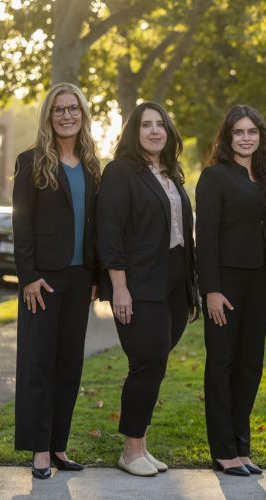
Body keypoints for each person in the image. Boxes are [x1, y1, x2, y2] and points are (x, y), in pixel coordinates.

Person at [97, 101, 198, 477]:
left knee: (155, 363)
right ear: (133, 133)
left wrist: (190, 287)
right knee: (147, 362)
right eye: (146, 125)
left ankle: (140, 444)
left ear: (169, 132)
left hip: (174, 282)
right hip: (139, 281)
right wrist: (119, 287)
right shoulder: (121, 172)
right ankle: (130, 450)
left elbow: (183, 236)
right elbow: (110, 233)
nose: (155, 131)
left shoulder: (171, 174)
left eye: (161, 125)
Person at [13, 82, 101, 479]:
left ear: (83, 116)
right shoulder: (30, 161)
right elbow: (22, 225)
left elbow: (97, 225)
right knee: (39, 365)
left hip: (81, 279)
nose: (67, 115)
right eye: (59, 109)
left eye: (74, 109)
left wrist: (97, 275)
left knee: (69, 366)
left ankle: (60, 446)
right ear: (49, 116)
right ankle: (40, 451)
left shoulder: (92, 165)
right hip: (43, 282)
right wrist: (28, 276)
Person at [196, 104, 266, 477]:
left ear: (261, 137)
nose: (246, 138)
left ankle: (241, 447)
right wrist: (211, 290)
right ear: (227, 137)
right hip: (227, 283)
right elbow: (206, 238)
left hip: (263, 282)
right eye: (239, 132)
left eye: (253, 132)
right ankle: (223, 450)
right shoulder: (214, 176)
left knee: (250, 365)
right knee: (222, 363)